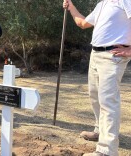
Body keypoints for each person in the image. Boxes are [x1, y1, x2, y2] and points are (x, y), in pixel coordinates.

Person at [63, 0, 131, 155]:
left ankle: (107, 151)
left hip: (112, 56)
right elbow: (82, 23)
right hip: (95, 55)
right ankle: (100, 131)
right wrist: (72, 7)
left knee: (108, 102)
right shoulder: (102, 4)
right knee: (95, 97)